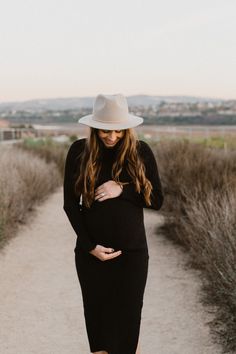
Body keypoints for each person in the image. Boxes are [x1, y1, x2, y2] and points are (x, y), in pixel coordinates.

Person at [63, 93, 164, 354]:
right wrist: (89, 247)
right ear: (95, 128)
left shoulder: (141, 152)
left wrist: (122, 188)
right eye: (105, 131)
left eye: (118, 130)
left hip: (132, 256)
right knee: (99, 331)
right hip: (92, 257)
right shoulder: (78, 152)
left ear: (127, 128)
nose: (112, 136)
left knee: (128, 333)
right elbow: (70, 205)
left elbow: (157, 200)